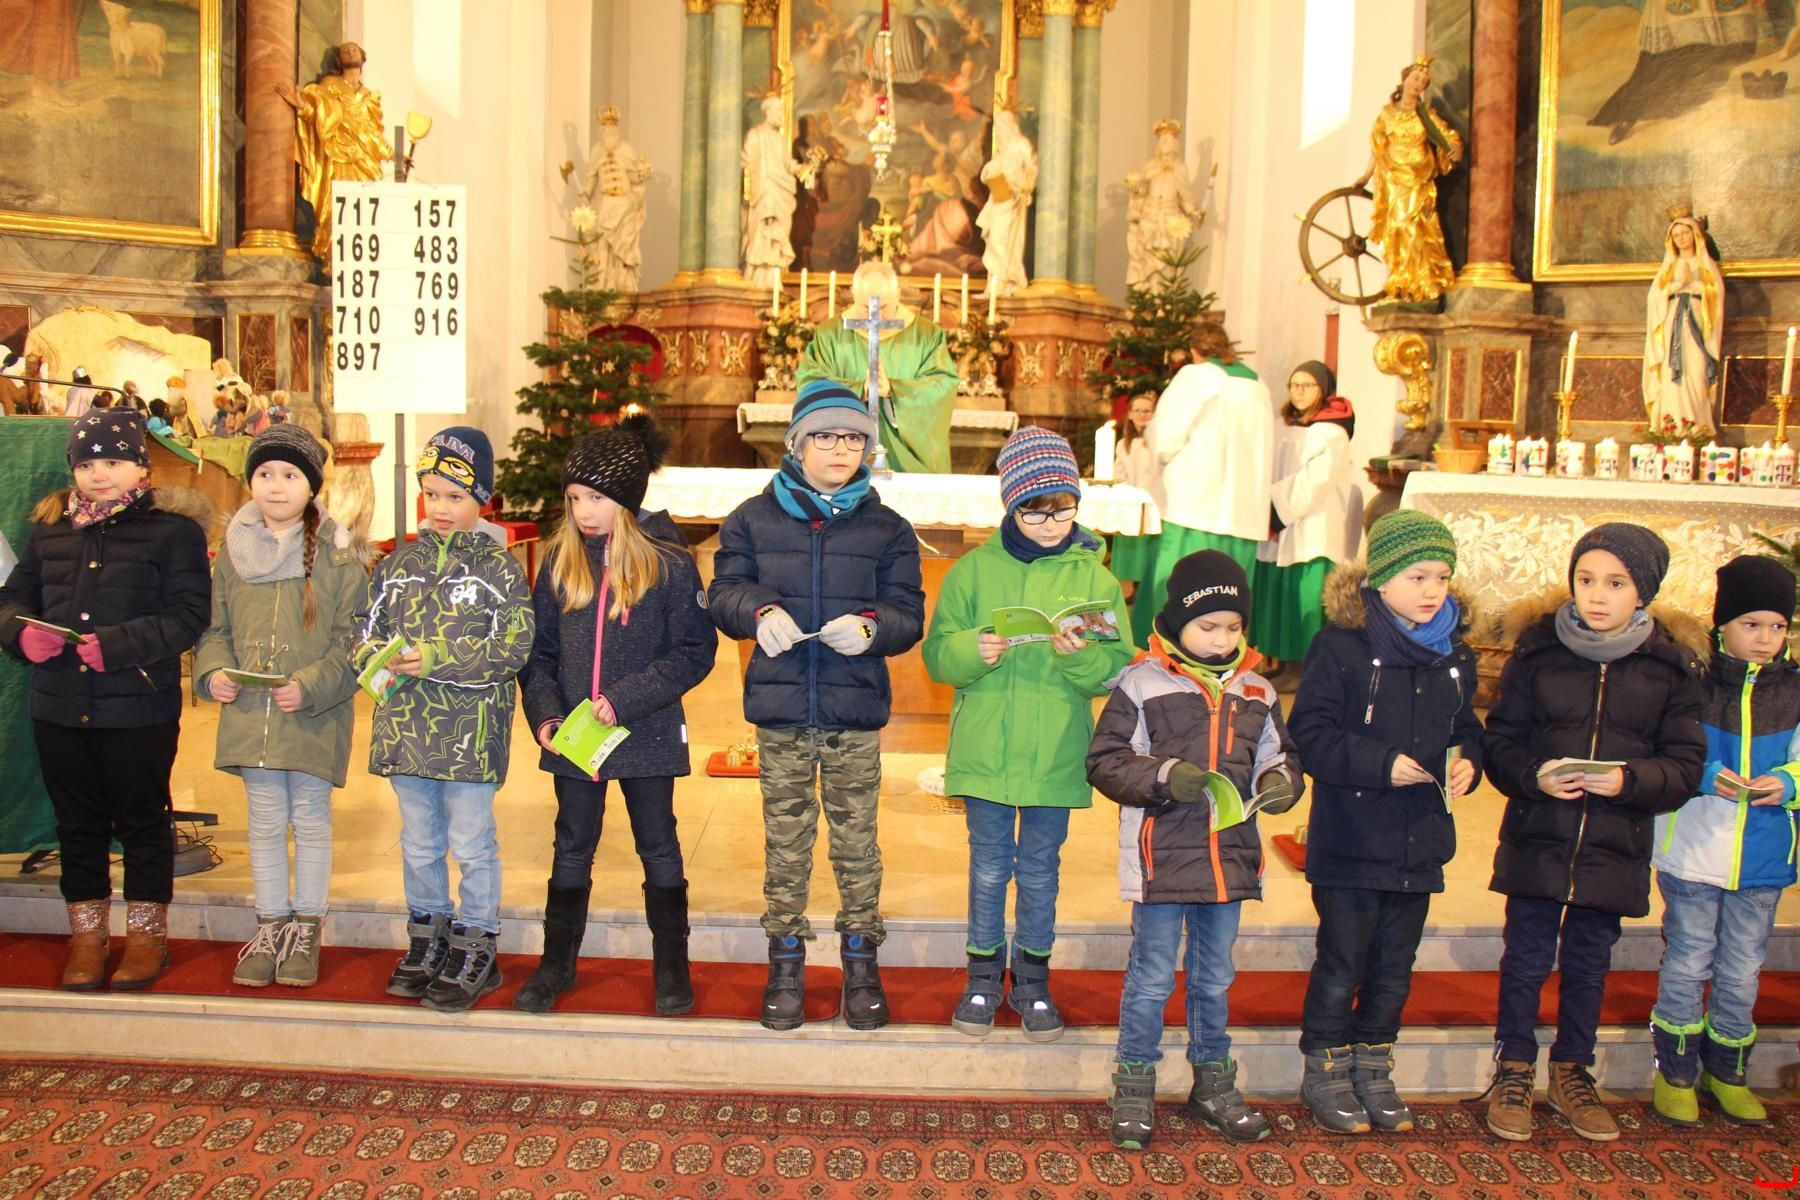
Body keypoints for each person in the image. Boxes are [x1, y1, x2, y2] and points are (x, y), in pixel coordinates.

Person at [707, 379, 926, 1033]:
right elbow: (724, 591)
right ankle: (786, 965)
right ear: (797, 443)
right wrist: (758, 611)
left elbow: (907, 612)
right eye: (826, 436)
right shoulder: (752, 519)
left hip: (852, 710)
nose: (840, 448)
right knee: (786, 845)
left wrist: (871, 627)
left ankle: (861, 963)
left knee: (857, 845)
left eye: (854, 437)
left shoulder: (888, 528)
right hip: (781, 707)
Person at [1480, 523, 1706, 1143]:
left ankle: (1573, 1071)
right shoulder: (1538, 653)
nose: (1597, 595)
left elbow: (1685, 765)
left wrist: (1631, 779)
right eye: (1586, 580)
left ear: (1644, 593)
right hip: (1539, 835)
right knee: (1525, 959)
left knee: (1588, 963)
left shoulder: (1670, 668)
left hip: (1614, 843)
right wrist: (1533, 775)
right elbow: (1501, 741)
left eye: (1615, 583)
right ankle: (1514, 1068)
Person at [1087, 551, 1303, 1149]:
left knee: (1214, 979)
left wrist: (1280, 783)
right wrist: (1164, 777)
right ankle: (1134, 1084)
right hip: (1162, 860)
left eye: (1233, 627)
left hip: (1229, 862)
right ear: (1178, 621)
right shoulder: (1142, 683)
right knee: (1152, 979)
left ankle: (1213, 1084)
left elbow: (1279, 755)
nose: (1222, 639)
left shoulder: (1257, 689)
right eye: (1208, 626)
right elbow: (1106, 762)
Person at [923, 428, 1133, 1044]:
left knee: (1040, 870)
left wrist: (1077, 656)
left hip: (1056, 747)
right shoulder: (972, 571)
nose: (1050, 524)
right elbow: (938, 656)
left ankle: (1034, 979)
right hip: (986, 746)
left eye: (1062, 510)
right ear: (1011, 504)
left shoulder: (1094, 579)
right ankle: (983, 977)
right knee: (989, 867)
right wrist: (974, 649)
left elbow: (1115, 667)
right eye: (1035, 511)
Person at [1285, 511, 1484, 1135]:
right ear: (1381, 577)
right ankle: (1324, 1069)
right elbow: (1309, 736)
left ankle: (1374, 1066)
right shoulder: (1341, 645)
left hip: (1420, 840)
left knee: (1395, 967)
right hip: (1352, 837)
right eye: (1418, 577)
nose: (1433, 591)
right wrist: (1380, 764)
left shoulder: (1455, 652)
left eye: (1442, 578)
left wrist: (1468, 762)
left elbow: (1467, 729)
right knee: (1342, 961)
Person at [0, 410, 212, 991]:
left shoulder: (173, 532)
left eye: (114, 461)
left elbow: (189, 613)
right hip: (59, 706)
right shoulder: (50, 530)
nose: (99, 474)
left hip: (137, 706)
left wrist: (117, 645)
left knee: (142, 821)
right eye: (86, 464)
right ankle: (87, 939)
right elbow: (12, 597)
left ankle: (146, 938)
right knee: (78, 826)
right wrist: (19, 632)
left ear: (141, 466)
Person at [516, 417, 716, 1017]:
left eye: (597, 499)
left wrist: (624, 700)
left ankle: (671, 967)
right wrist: (547, 718)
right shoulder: (560, 562)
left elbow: (694, 651)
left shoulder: (668, 564)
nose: (584, 511)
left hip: (646, 731)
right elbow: (539, 655)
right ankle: (557, 963)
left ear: (627, 501)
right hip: (576, 741)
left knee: (659, 845)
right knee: (571, 845)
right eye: (575, 498)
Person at [355, 427, 534, 1013]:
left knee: (471, 843)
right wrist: (375, 659)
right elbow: (364, 630)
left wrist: (435, 657)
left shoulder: (499, 569)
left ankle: (477, 943)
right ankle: (427, 935)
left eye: (455, 496)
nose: (440, 507)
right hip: (406, 731)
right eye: (431, 494)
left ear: (481, 499)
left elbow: (513, 647)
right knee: (418, 842)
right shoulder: (397, 565)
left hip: (469, 737)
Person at [193, 427, 370, 988]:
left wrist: (311, 685)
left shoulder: (338, 554)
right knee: (265, 822)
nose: (276, 485)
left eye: (290, 475)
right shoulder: (233, 550)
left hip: (312, 714)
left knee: (311, 821)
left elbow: (355, 639)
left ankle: (307, 928)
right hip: (251, 713)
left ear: (312, 486)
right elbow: (216, 629)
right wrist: (213, 672)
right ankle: (271, 926)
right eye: (265, 474)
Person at [1649, 555, 1800, 1128]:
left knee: (1742, 968)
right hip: (1693, 850)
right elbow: (1669, 746)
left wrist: (1787, 783)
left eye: (1777, 626)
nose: (1765, 638)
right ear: (1721, 626)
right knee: (1688, 960)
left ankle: (1729, 1069)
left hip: (1763, 858)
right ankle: (1675, 1072)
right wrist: (1706, 773)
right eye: (1751, 624)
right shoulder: (1693, 683)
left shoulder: (1795, 691)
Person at [1132, 353, 1274, 650]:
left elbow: (1165, 437)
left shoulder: (1196, 376)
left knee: (1175, 590)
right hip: (1244, 510)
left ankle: (1164, 655)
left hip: (1195, 505)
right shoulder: (1259, 385)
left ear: (1197, 351)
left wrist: (1153, 453)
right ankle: (1223, 659)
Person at [1253, 361, 1363, 679]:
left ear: (1323, 389)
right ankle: (1281, 662)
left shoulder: (1332, 431)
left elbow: (1317, 479)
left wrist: (1276, 511)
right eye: (1294, 385)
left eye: (1307, 385)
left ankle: (1305, 669)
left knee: (1306, 598)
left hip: (1311, 522)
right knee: (1279, 595)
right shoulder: (1280, 424)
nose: (1299, 391)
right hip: (1278, 519)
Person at [797, 260, 959, 474]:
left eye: (883, 307)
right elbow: (810, 383)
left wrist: (894, 390)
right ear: (853, 295)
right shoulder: (829, 335)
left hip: (908, 464)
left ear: (898, 296)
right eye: (866, 307)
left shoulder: (926, 336)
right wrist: (859, 390)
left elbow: (942, 385)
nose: (875, 316)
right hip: (842, 460)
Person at [1357, 55, 1462, 304]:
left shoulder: (1425, 115)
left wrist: (1456, 147)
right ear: (1404, 80)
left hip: (1418, 180)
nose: (1418, 84)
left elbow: (1447, 135)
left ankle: (1421, 282)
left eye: (1423, 82)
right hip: (1394, 179)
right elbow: (1378, 148)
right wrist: (1366, 175)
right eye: (1415, 79)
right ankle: (1402, 280)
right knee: (1396, 228)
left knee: (1413, 226)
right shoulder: (1386, 115)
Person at [277, 42, 392, 263]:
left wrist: (394, 155)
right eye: (344, 51)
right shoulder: (330, 85)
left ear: (362, 58)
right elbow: (321, 119)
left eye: (354, 50)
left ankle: (361, 263)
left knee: (364, 212)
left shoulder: (368, 96)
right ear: (339, 60)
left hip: (364, 163)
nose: (349, 52)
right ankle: (335, 261)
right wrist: (302, 106)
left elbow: (372, 134)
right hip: (339, 157)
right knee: (339, 210)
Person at [1642, 209, 1723, 436]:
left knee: (1696, 371)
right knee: (1671, 373)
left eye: (1684, 233)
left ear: (1694, 235)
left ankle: (1696, 427)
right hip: (1671, 325)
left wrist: (1696, 286)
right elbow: (1654, 296)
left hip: (1697, 325)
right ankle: (1672, 427)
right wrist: (1676, 286)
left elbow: (1716, 293)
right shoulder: (1669, 266)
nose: (1681, 238)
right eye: (1676, 235)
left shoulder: (1704, 263)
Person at [579, 106, 653, 294]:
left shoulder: (626, 149)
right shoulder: (596, 150)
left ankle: (623, 285)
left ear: (617, 130)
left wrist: (642, 174)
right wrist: (584, 196)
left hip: (626, 204)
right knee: (602, 244)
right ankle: (603, 284)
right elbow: (591, 177)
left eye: (612, 128)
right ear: (601, 131)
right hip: (605, 204)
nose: (609, 132)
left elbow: (633, 177)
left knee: (624, 247)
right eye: (605, 128)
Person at [1125, 119, 1206, 289]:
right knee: (1148, 258)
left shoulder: (1180, 167)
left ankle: (1162, 295)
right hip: (1150, 217)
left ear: (1176, 144)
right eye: (1163, 140)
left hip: (1170, 220)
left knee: (1166, 262)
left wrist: (1193, 211)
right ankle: (1148, 294)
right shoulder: (1150, 165)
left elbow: (1184, 194)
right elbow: (1140, 186)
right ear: (1158, 144)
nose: (1166, 144)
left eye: (1170, 140)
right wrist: (1155, 172)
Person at [742, 95, 809, 290]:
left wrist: (804, 168)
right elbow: (746, 161)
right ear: (768, 111)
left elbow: (787, 164)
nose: (781, 115)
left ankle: (772, 276)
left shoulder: (779, 140)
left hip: (780, 190)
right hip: (764, 189)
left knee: (778, 233)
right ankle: (756, 277)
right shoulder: (755, 135)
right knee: (763, 230)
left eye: (782, 111)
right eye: (778, 111)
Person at [978, 108, 1037, 298]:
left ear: (1010, 126)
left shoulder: (1021, 145)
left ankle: (1011, 283)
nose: (999, 130)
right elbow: (988, 172)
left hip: (1014, 199)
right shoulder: (1001, 151)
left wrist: (1026, 185)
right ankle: (994, 286)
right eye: (997, 126)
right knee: (994, 239)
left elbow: (1032, 168)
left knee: (1004, 240)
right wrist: (990, 172)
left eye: (1002, 125)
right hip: (999, 199)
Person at [1109, 393, 1162, 603]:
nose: (1142, 414)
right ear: (1130, 414)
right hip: (1130, 501)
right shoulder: (1123, 444)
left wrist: (1142, 493)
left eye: (1147, 410)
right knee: (1129, 540)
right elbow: (1118, 472)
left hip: (1152, 500)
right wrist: (1126, 492)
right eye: (1138, 410)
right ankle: (1128, 587)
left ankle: (1145, 587)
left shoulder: (1158, 443)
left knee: (1148, 543)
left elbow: (1155, 472)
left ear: (1154, 414)